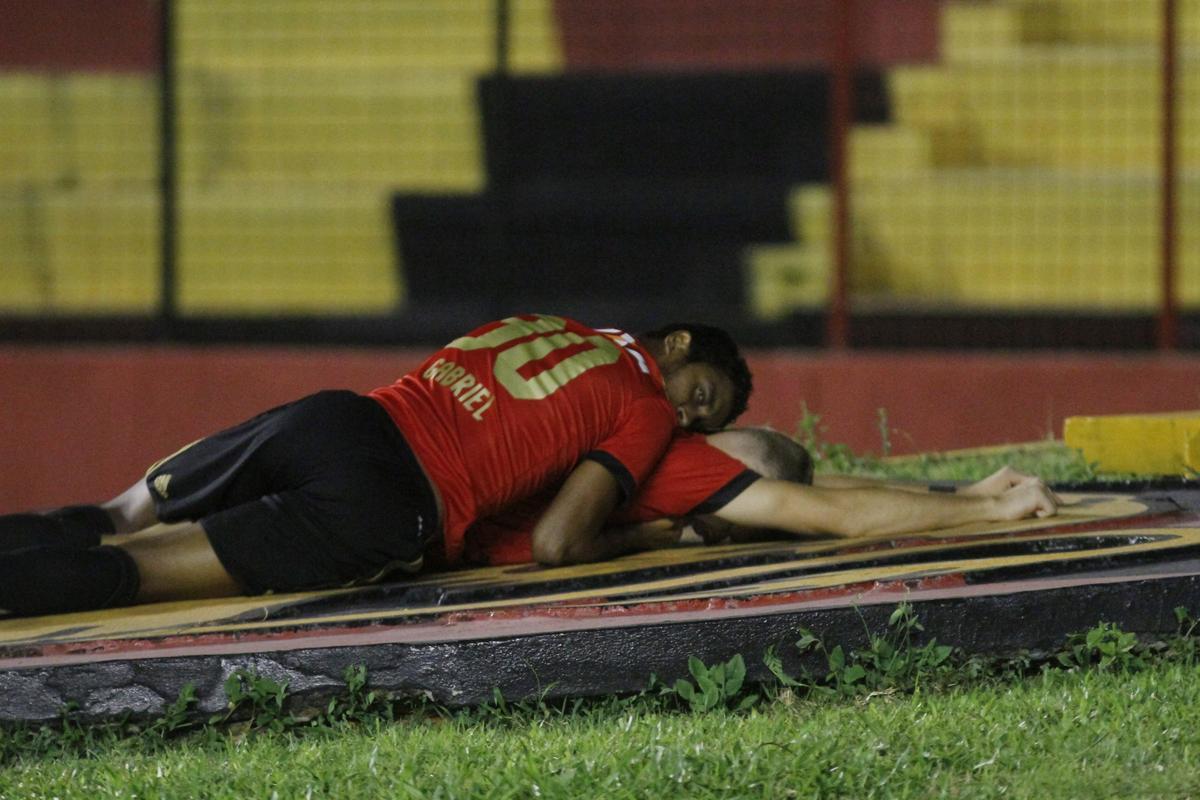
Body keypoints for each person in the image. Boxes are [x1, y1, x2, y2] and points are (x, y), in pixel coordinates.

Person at [0, 314, 753, 617]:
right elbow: (559, 544)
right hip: (390, 503)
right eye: (701, 398)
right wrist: (655, 537)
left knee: (118, 515)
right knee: (144, 573)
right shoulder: (646, 404)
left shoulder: (556, 325)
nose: (687, 420)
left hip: (342, 418)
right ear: (678, 345)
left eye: (702, 421)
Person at [461, 427, 1059, 566]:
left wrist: (954, 491)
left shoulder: (654, 441)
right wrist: (987, 510)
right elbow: (836, 515)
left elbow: (815, 492)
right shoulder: (687, 474)